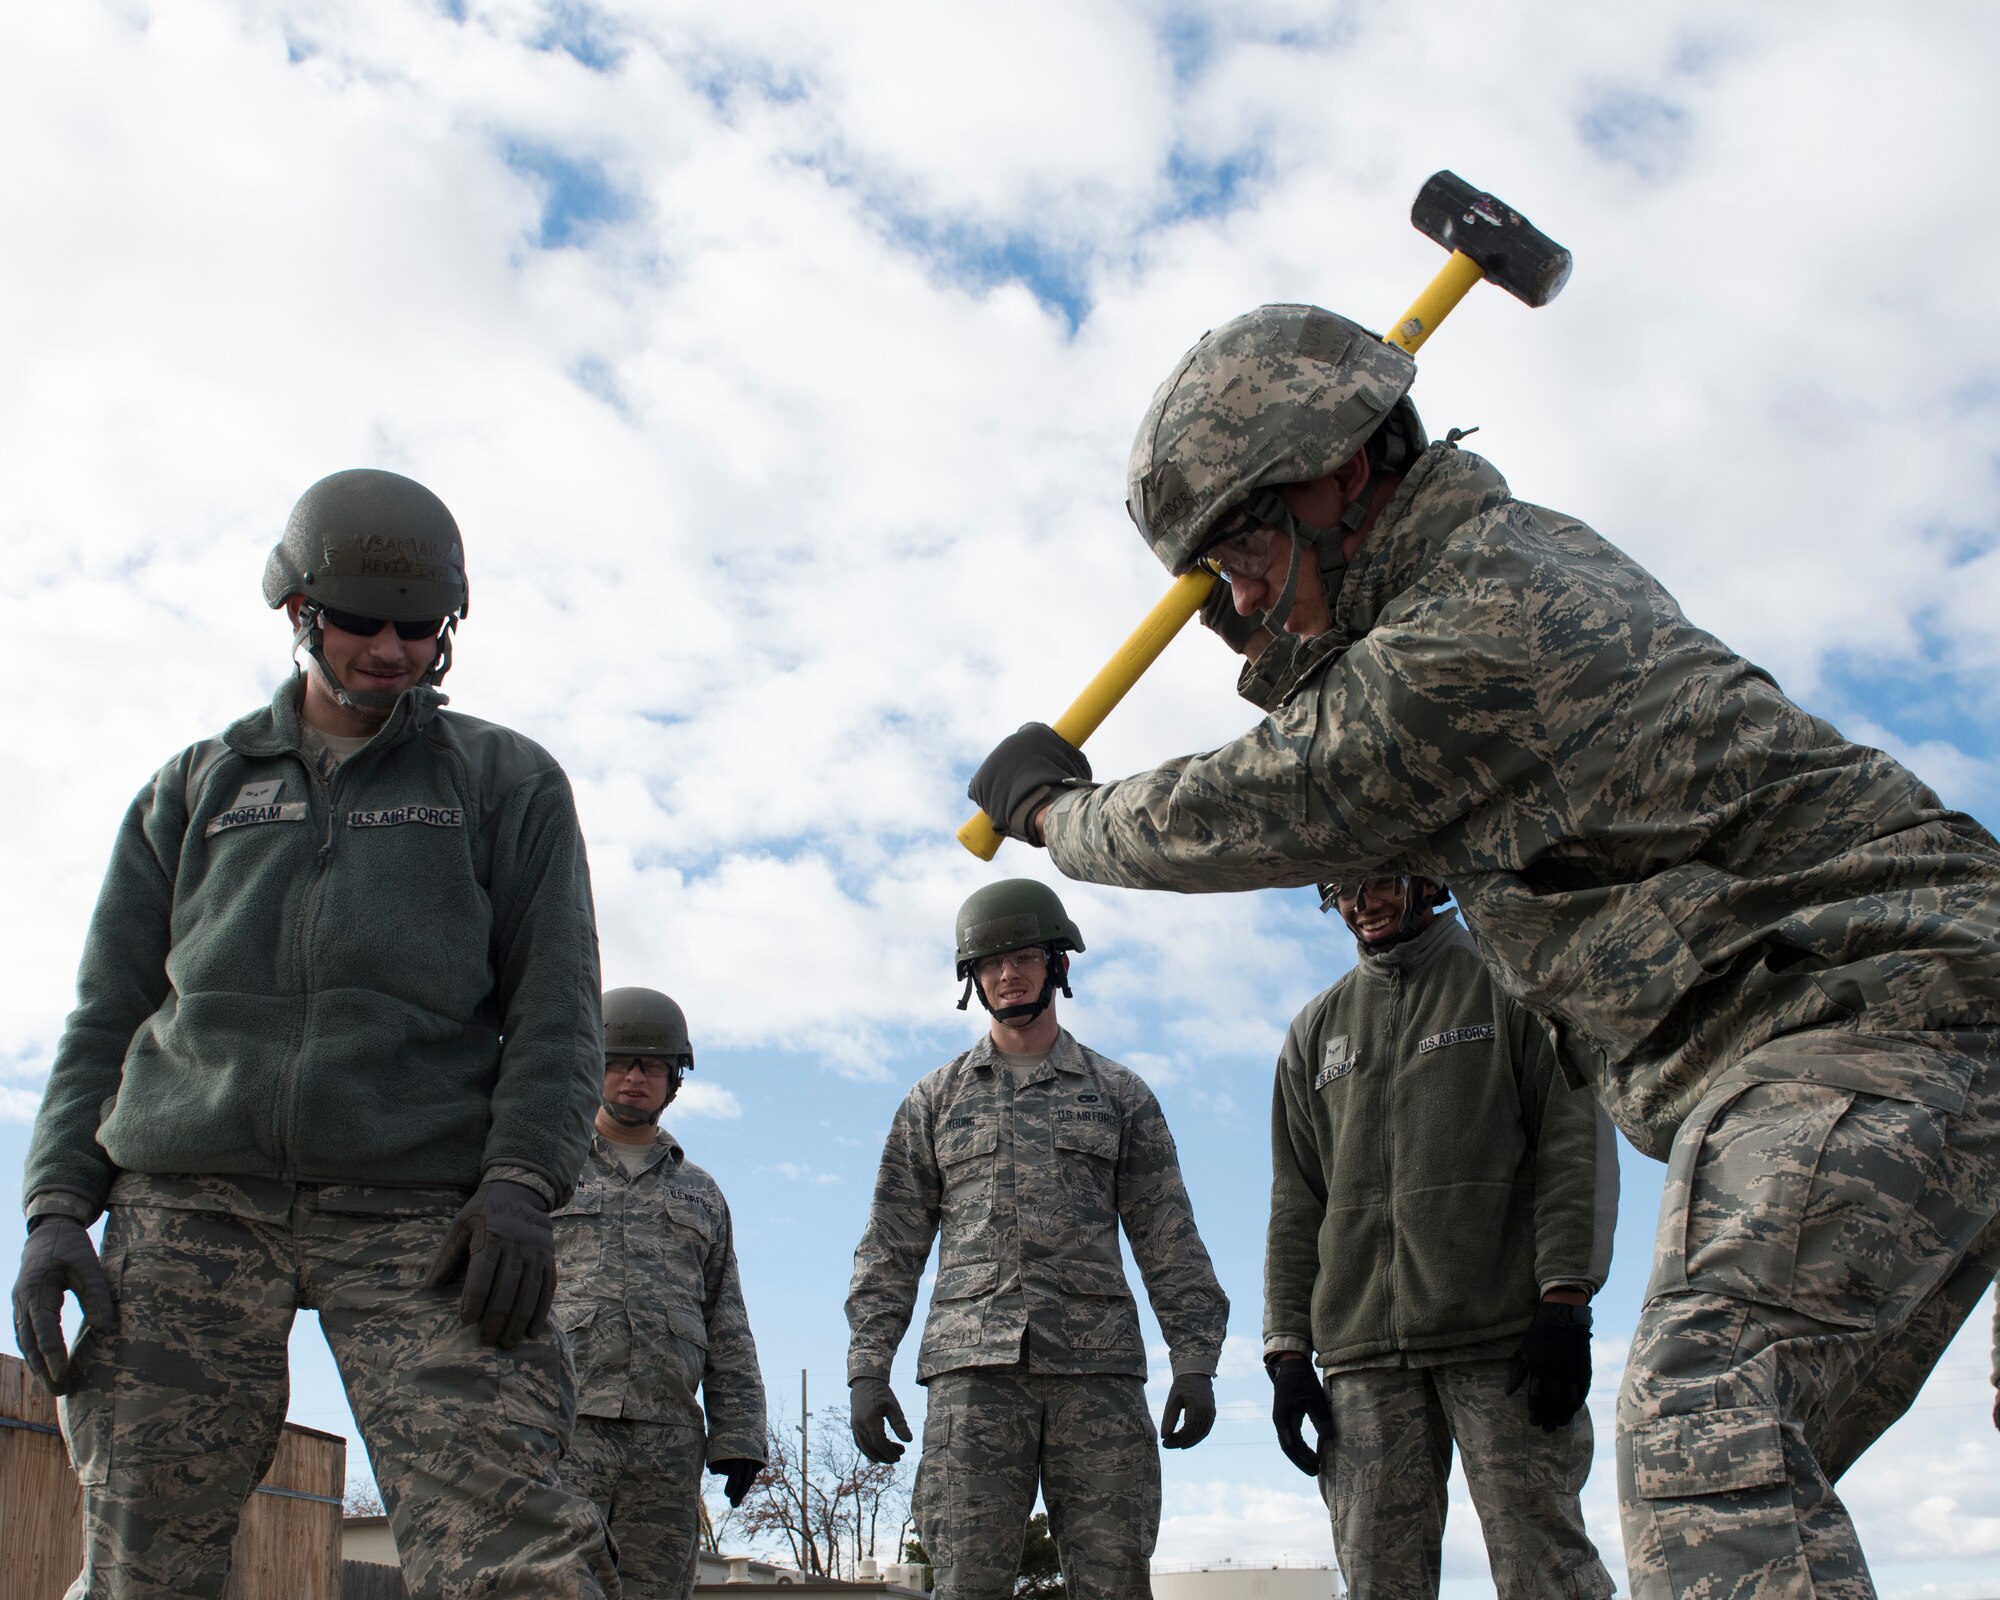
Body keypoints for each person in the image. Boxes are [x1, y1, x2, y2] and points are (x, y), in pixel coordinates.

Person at [968, 302, 2000, 1598]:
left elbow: (1283, 791)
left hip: (1867, 1019)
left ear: (1341, 476)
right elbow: (1358, 702)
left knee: (1708, 1432)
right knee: (1753, 1449)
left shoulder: (1476, 630)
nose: (1234, 602)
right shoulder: (1526, 558)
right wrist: (1270, 618)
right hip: (1934, 1008)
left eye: (1241, 555)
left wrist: (1060, 815)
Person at [11, 468, 617, 1600]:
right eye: (362, 623)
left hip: (425, 1214)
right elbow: (105, 1014)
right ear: (299, 613)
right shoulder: (196, 788)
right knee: (143, 1561)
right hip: (190, 1200)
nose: (391, 649)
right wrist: (54, 1211)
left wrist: (524, 1181)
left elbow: (556, 1007)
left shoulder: (502, 782)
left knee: (517, 1559)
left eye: (419, 627)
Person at [844, 879, 1228, 1600]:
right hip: (972, 1380)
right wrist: (869, 1369)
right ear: (972, 979)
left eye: (1022, 957)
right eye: (989, 964)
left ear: (1058, 965)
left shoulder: (1120, 1095)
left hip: (1098, 1376)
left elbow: (1169, 1237)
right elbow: (890, 1248)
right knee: (965, 1583)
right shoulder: (933, 1102)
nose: (1006, 975)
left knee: (1115, 1581)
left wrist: (1196, 1361)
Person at [1267, 873, 1616, 1600]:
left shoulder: (1513, 985)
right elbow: (1296, 1201)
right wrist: (1288, 1352)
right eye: (1343, 890)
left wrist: (1565, 1301)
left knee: (1547, 1572)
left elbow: (1572, 1146)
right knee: (1376, 1583)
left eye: (1378, 880)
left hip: (1507, 1344)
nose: (1363, 903)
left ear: (1425, 878)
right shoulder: (1315, 1030)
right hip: (1362, 1361)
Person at [553, 986, 767, 1600]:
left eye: (651, 1065)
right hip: (565, 1432)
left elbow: (726, 1319)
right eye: (619, 1061)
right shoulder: (545, 1171)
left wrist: (741, 1433)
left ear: (675, 1079)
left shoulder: (701, 1193)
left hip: (667, 1448)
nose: (634, 1078)